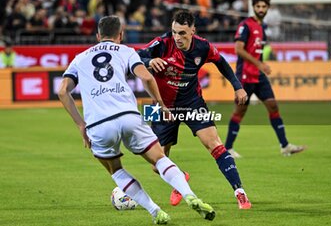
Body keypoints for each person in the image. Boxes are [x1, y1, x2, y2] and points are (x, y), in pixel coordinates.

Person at [58, 15, 215, 224]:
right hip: (128, 116)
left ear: (97, 36)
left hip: (98, 124)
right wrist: (160, 104)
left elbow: (62, 92)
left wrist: (80, 124)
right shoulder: (126, 51)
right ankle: (189, 195)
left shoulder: (79, 58)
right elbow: (147, 77)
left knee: (116, 169)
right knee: (160, 159)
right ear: (120, 35)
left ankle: (154, 211)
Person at [137, 10, 252, 210]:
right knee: (156, 164)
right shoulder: (163, 43)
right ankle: (180, 177)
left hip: (192, 103)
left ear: (193, 31)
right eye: (174, 32)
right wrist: (148, 61)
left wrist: (237, 86)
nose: (177, 37)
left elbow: (222, 63)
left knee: (215, 144)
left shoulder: (203, 46)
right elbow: (137, 55)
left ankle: (240, 192)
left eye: (182, 33)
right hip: (162, 106)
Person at [225, 0, 305, 158]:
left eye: (264, 7)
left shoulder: (263, 28)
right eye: (258, 6)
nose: (261, 9)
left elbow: (257, 51)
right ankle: (227, 149)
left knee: (273, 106)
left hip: (259, 76)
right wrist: (259, 64)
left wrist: (260, 66)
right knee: (240, 111)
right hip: (245, 76)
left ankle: (285, 145)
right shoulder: (245, 25)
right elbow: (238, 49)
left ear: (268, 8)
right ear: (253, 7)